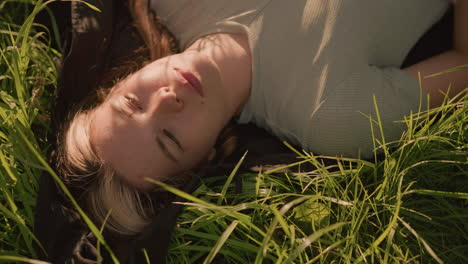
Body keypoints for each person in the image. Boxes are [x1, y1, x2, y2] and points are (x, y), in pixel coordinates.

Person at [57, 0, 467, 236]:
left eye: (132, 103)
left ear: (117, 82)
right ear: (204, 157)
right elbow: (462, 65)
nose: (167, 99)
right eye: (169, 138)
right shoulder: (330, 115)